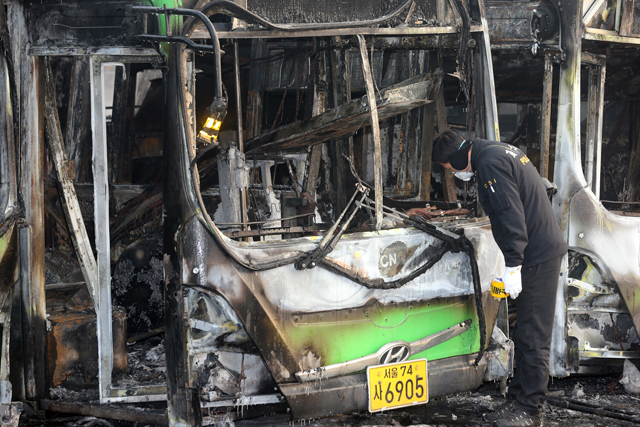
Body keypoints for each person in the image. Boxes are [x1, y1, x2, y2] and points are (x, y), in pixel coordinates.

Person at [433, 129, 568, 427]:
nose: (456, 175)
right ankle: (519, 399)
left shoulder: (490, 162)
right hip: (538, 249)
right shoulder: (497, 150)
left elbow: (511, 216)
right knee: (525, 332)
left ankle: (531, 410)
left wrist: (514, 265)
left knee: (533, 334)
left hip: (537, 255)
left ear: (457, 157)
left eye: (451, 169)